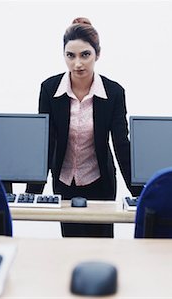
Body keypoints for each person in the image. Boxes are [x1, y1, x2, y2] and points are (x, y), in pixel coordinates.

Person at [26, 17, 142, 237]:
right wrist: (32, 195)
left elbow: (121, 143)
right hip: (64, 183)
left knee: (101, 246)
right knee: (71, 247)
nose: (77, 63)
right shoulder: (50, 89)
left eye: (85, 55)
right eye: (70, 55)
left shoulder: (114, 92)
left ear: (97, 54)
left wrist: (138, 193)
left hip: (100, 183)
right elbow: (45, 141)